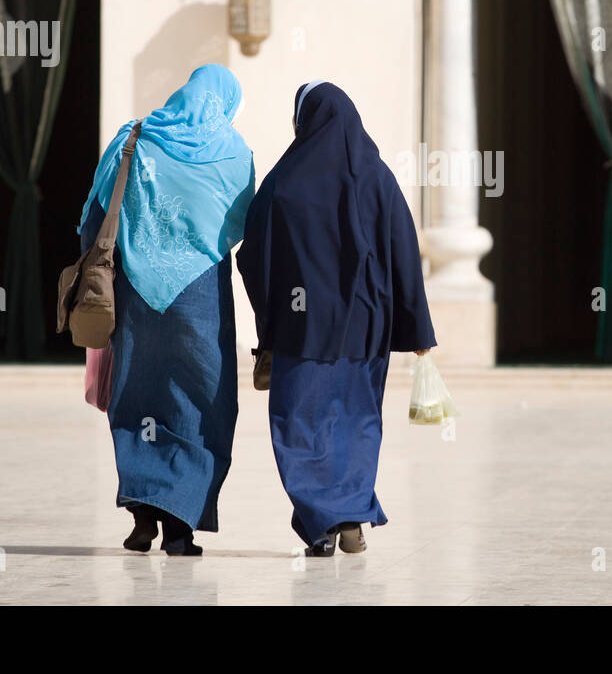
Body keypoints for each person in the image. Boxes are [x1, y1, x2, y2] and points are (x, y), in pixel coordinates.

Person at [237, 81, 436, 556]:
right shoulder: (378, 177)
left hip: (300, 327)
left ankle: (321, 521)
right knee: (357, 419)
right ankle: (350, 515)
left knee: (301, 422)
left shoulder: (284, 181)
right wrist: (418, 330)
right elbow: (404, 254)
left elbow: (253, 256)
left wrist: (269, 319)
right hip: (366, 328)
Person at [78, 64, 254, 555]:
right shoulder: (233, 154)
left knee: (138, 394)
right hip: (201, 301)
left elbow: (96, 215)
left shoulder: (133, 137)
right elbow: (243, 225)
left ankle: (143, 512)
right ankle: (181, 525)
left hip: (136, 295)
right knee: (201, 400)